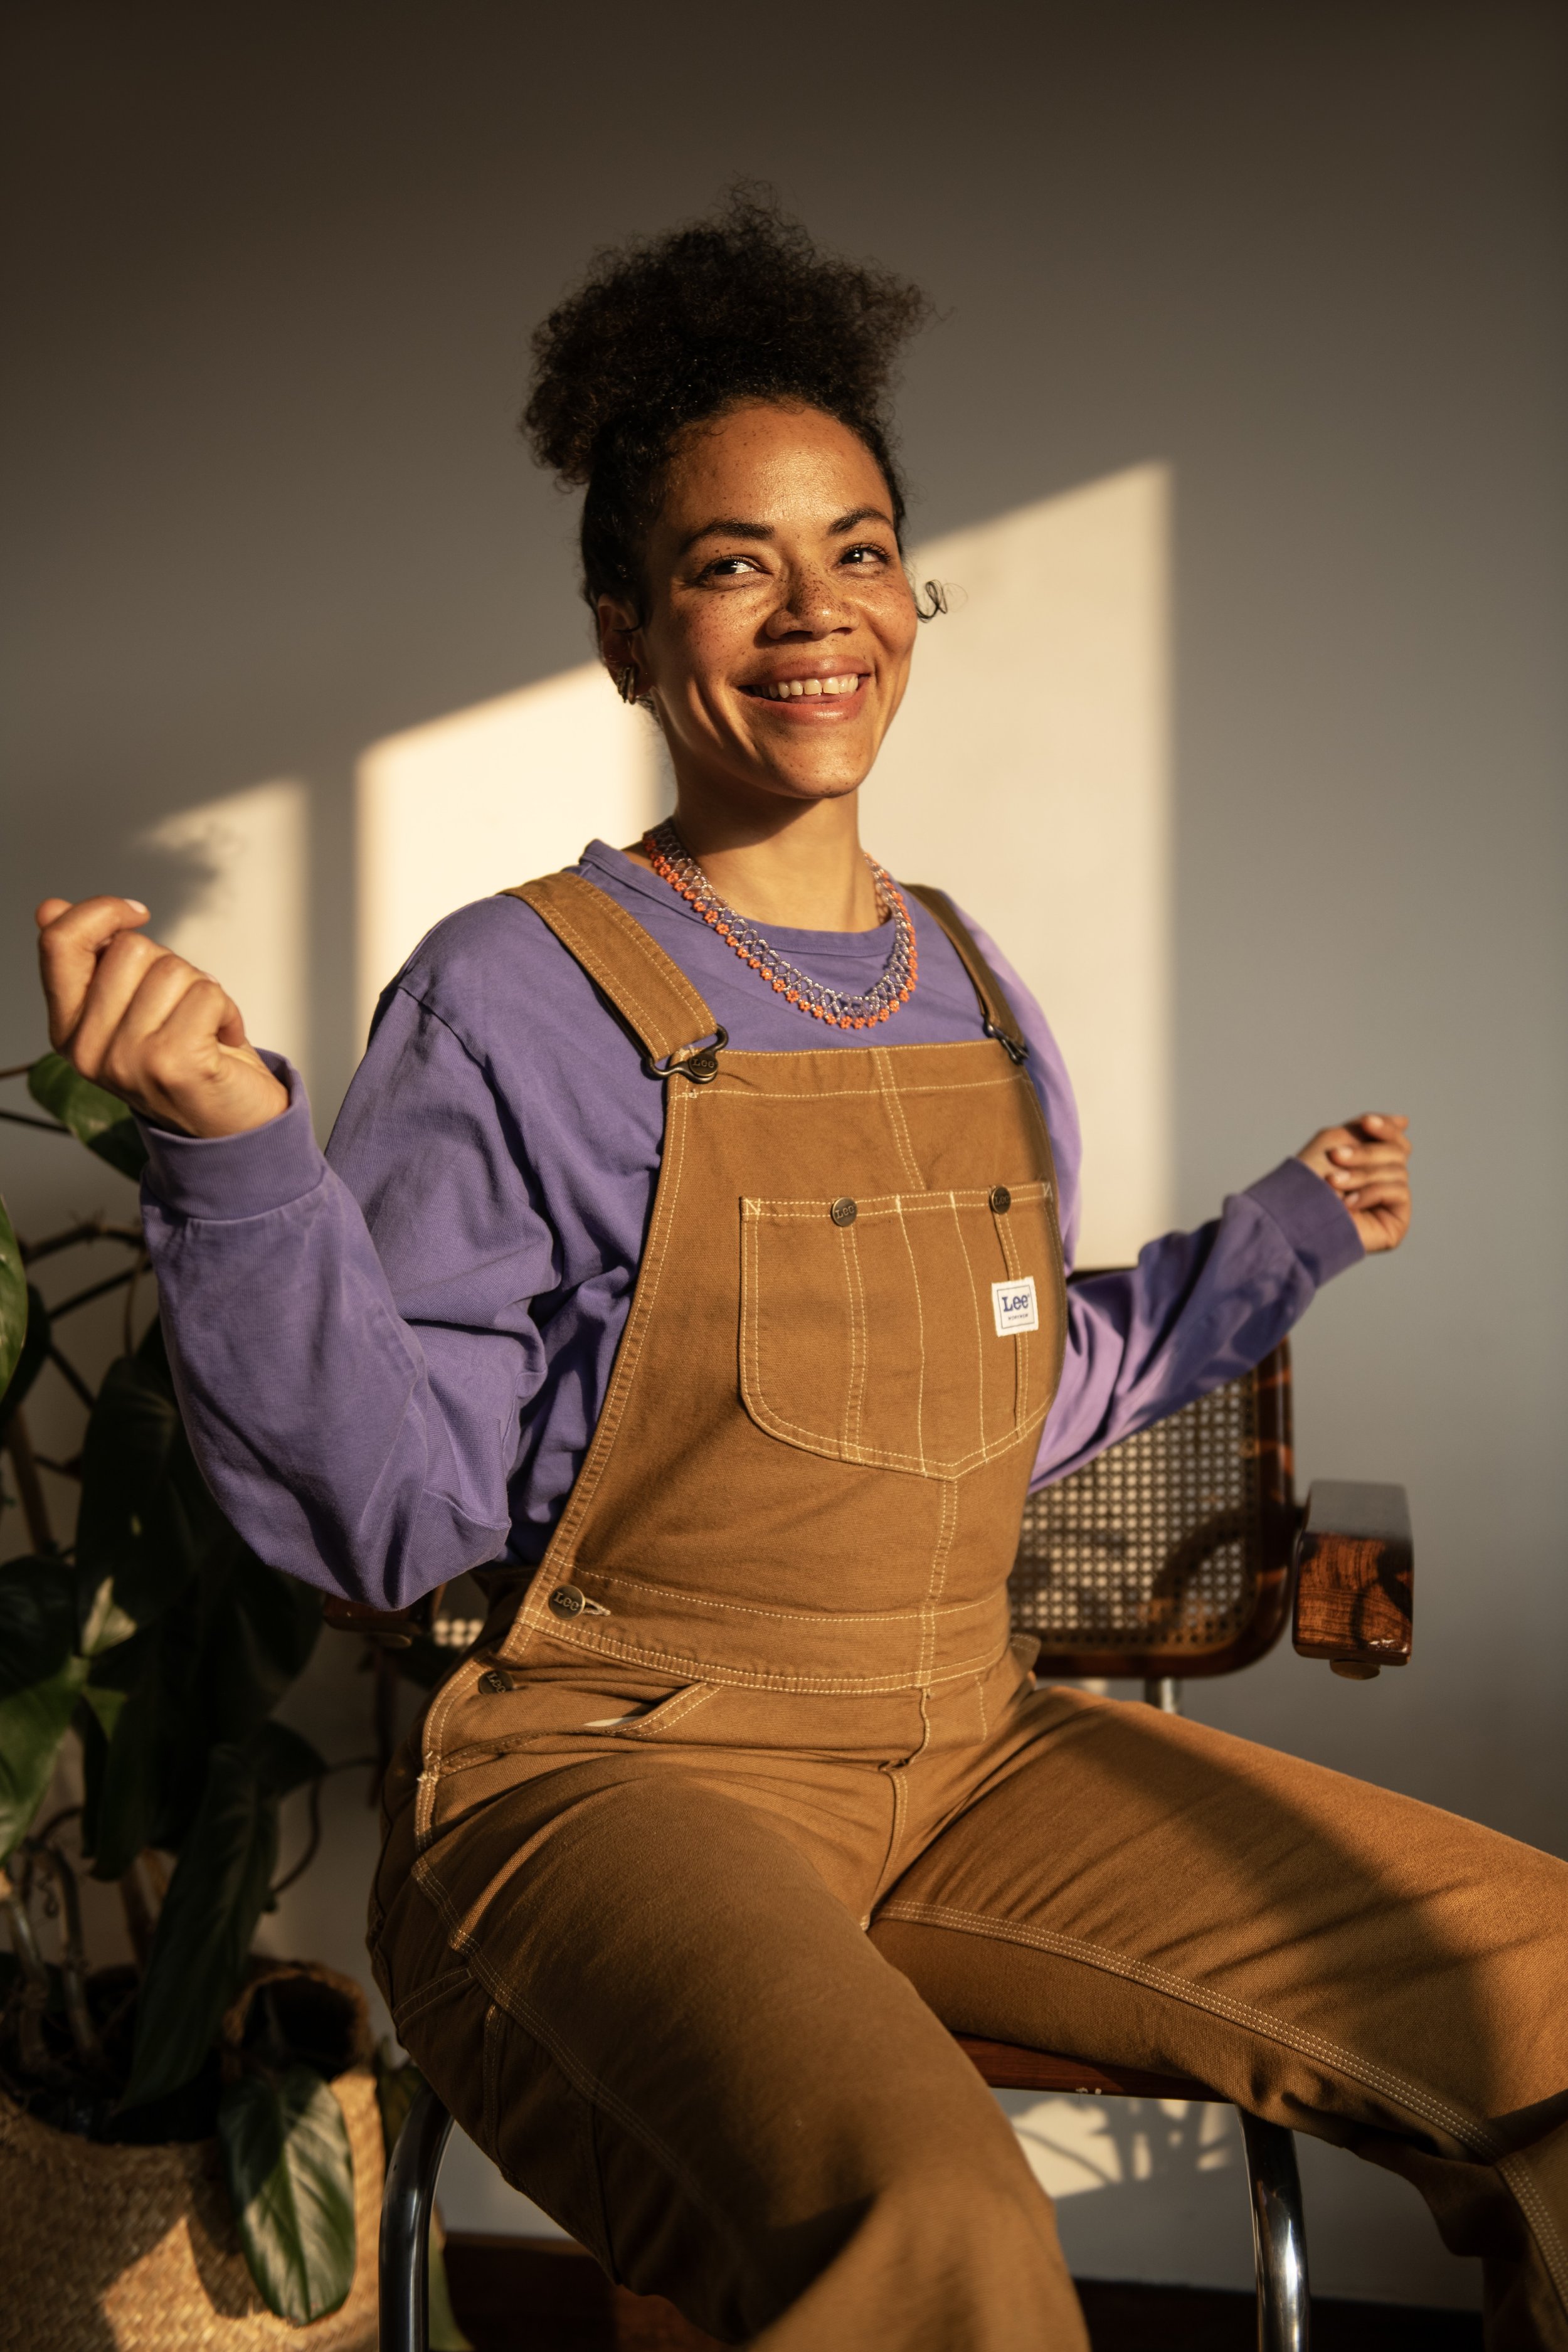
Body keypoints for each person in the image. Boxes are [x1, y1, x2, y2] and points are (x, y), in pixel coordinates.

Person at [34, 196, 1566, 2351]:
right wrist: (233, 1158)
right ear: (624, 627)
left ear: (909, 595)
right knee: (931, 2227)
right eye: (732, 560)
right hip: (608, 1780)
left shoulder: (963, 979)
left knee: (1545, 1982)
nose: (814, 608)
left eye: (856, 548)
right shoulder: (511, 994)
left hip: (968, 1741)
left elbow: (1020, 1386)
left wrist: (1281, 1239)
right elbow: (388, 1515)